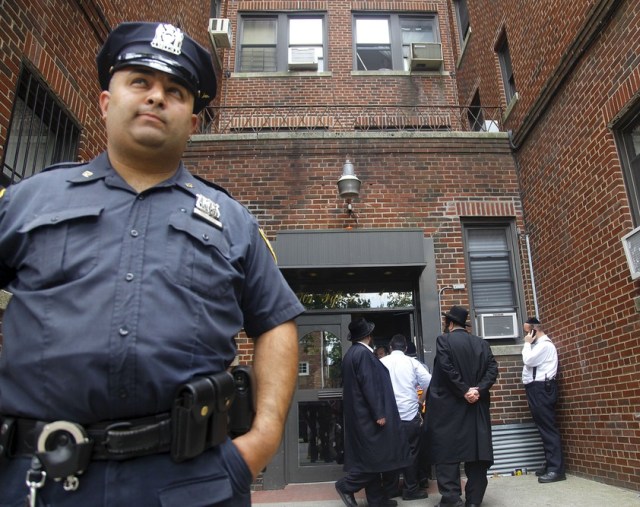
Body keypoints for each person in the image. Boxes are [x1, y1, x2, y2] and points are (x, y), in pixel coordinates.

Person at [0, 22, 304, 506]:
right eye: (140, 82)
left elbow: (276, 322)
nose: (156, 97)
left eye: (176, 91)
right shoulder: (28, 201)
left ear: (193, 122)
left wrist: (260, 442)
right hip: (38, 479)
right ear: (105, 101)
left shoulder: (231, 220)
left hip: (192, 482)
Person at [425, 306, 499, 507]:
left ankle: (452, 499)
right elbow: (493, 369)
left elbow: (446, 368)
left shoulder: (444, 340)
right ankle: (474, 501)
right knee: (477, 455)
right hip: (476, 409)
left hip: (449, 409)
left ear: (449, 324)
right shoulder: (481, 343)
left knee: (447, 454)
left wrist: (464, 390)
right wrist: (478, 390)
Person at [335, 319, 410, 507]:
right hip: (369, 417)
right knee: (375, 460)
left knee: (373, 459)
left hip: (360, 416)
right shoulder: (363, 354)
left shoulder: (351, 354)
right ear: (368, 336)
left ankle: (377, 501)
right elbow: (370, 386)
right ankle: (346, 485)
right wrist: (379, 413)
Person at [379, 334, 432, 501]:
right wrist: (420, 400)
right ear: (406, 348)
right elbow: (429, 381)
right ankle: (411, 489)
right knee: (412, 453)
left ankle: (390, 489)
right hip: (409, 414)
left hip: (388, 416)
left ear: (390, 347)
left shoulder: (381, 362)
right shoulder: (412, 362)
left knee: (390, 453)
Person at [521, 317, 565, 483]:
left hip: (542, 389)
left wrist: (526, 343)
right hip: (536, 388)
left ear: (533, 330)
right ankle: (551, 464)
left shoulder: (545, 345)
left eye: (527, 331)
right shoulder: (539, 346)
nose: (526, 335)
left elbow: (528, 360)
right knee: (543, 428)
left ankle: (556, 469)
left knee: (548, 428)